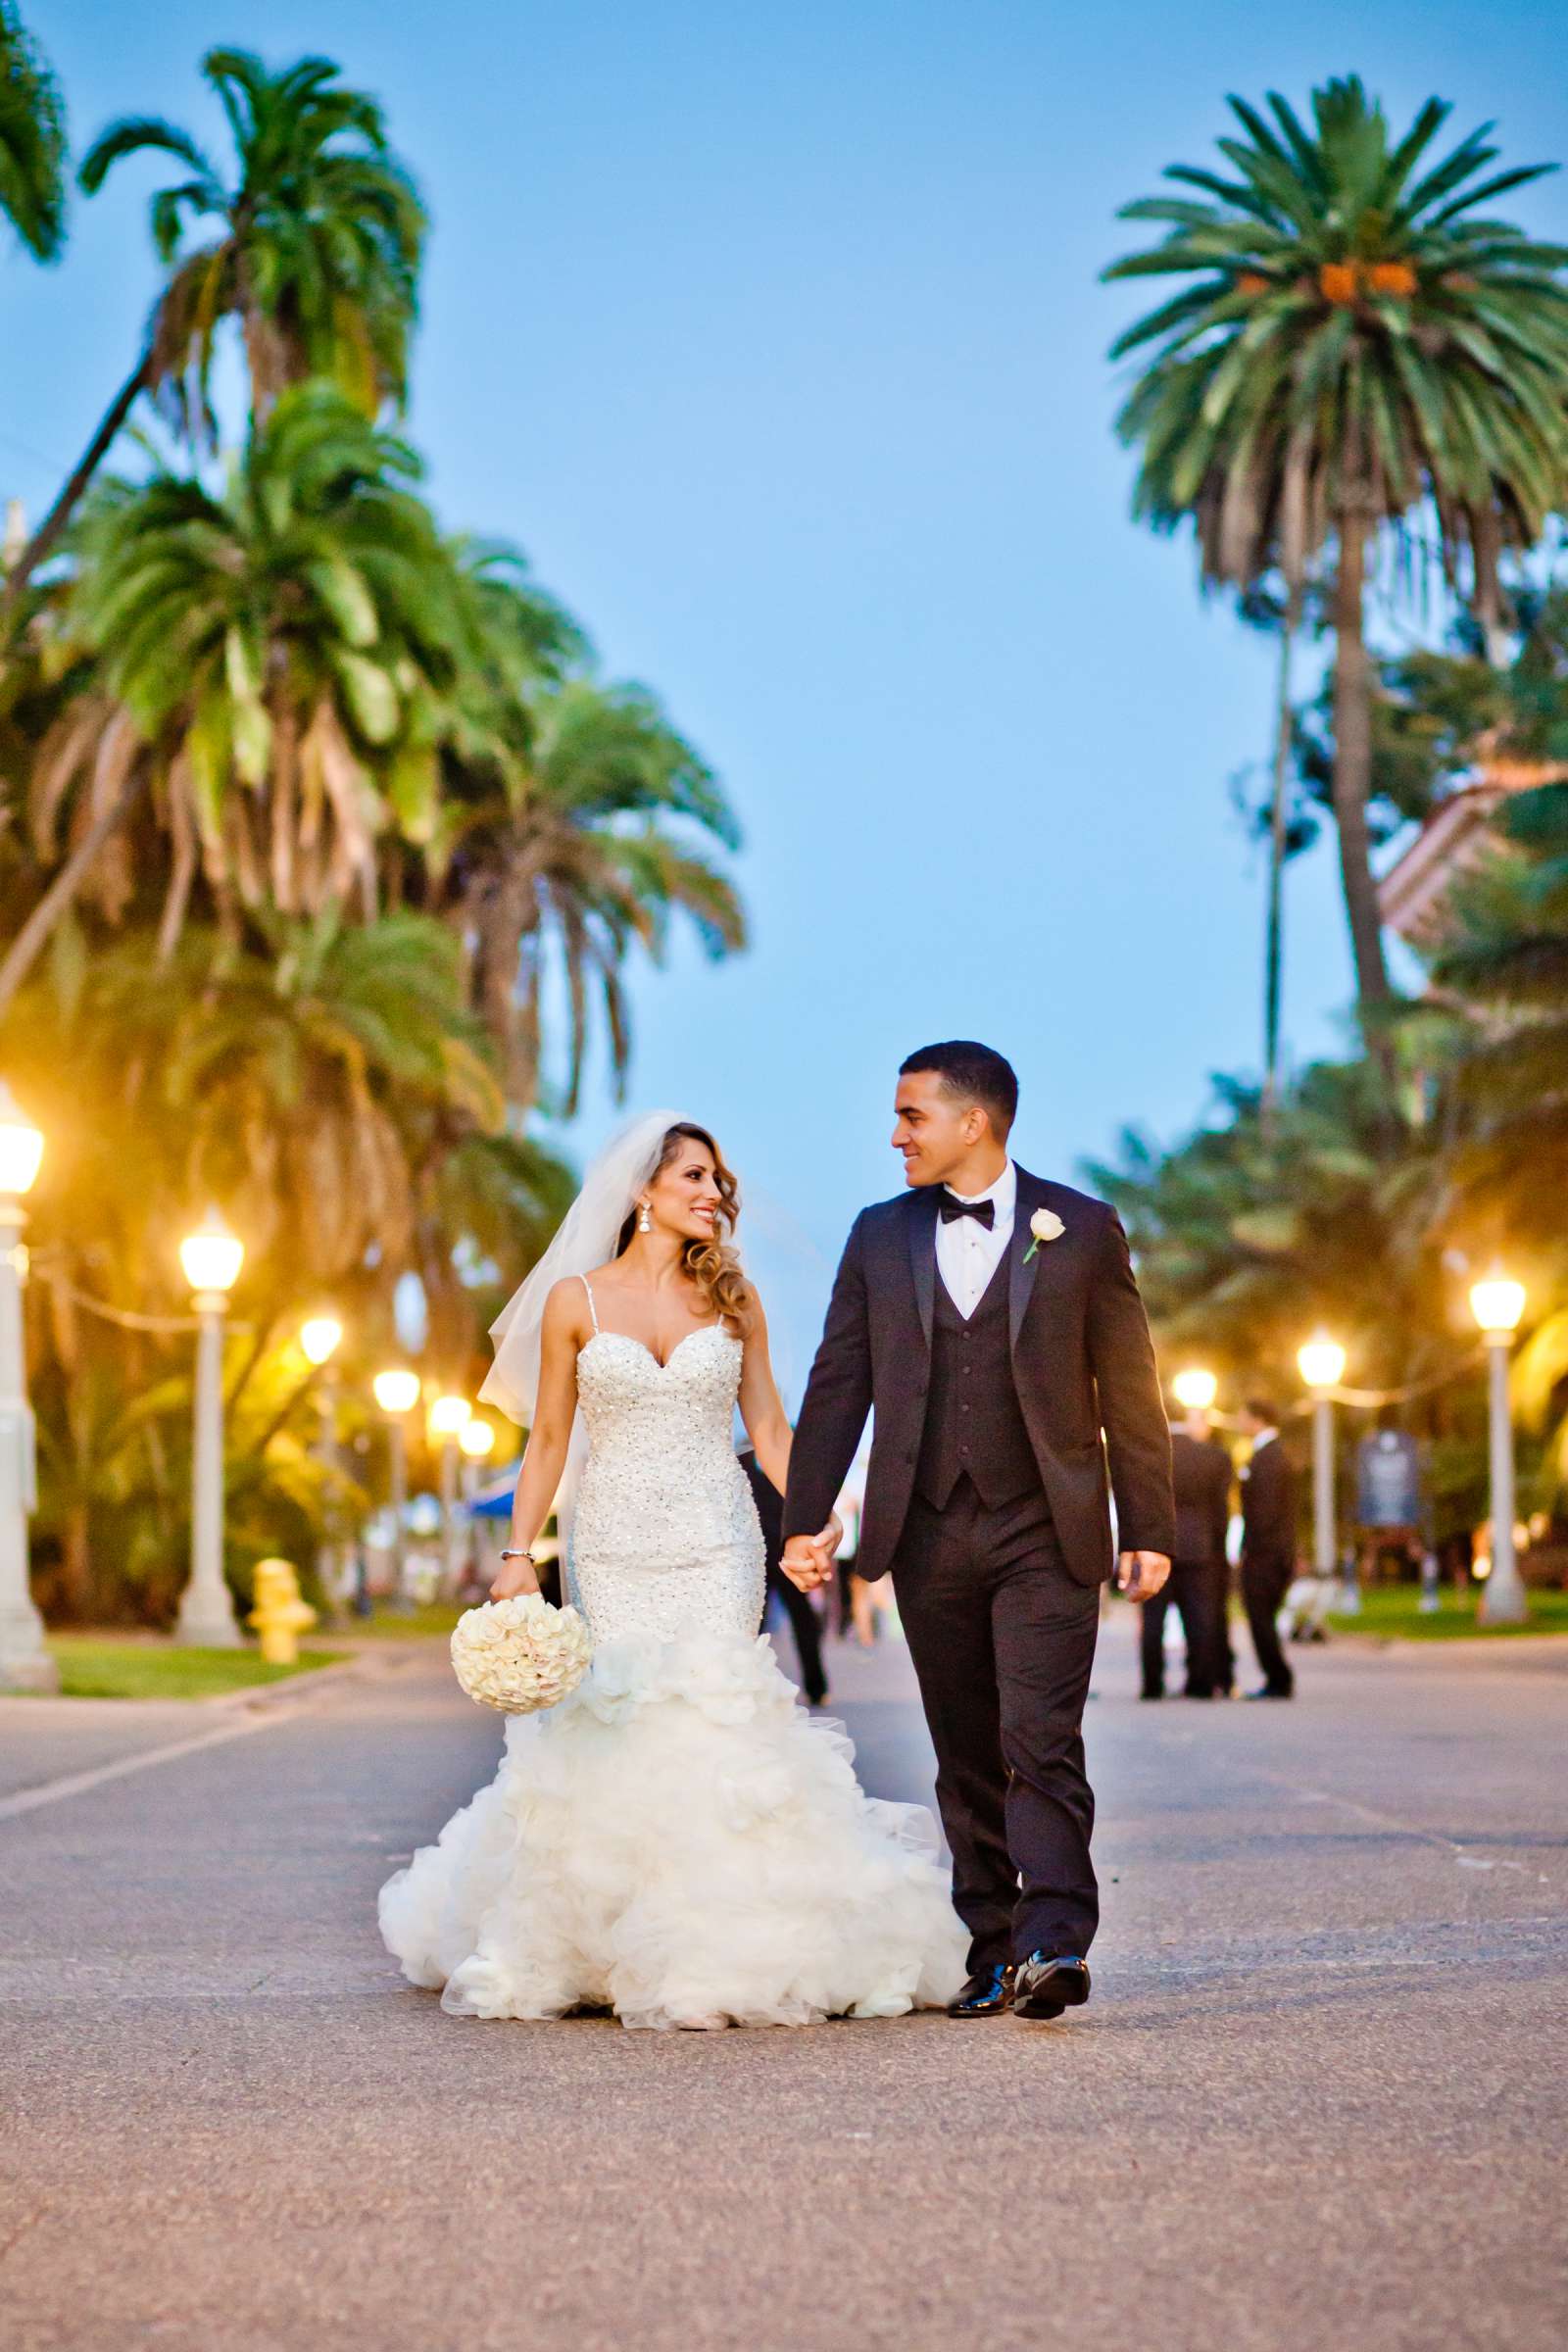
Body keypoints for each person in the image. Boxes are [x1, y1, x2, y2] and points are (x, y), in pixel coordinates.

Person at [378, 1112, 966, 2031]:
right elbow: (546, 1442)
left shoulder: (733, 1300)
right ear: (640, 1193)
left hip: (716, 1541)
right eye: (691, 1177)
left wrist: (820, 1521)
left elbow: (771, 1430)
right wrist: (514, 1558)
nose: (711, 1193)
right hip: (608, 1544)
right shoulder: (576, 1300)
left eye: (715, 1180)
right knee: (616, 1719)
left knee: (715, 1715)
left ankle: (727, 1941)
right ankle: (605, 1938)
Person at [780, 1044, 1174, 2023]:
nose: (894, 1134)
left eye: (912, 1115)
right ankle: (992, 1948)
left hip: (1045, 1528)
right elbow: (839, 1382)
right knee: (964, 1748)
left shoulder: (1080, 1229)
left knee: (1037, 1737)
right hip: (923, 1530)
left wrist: (1149, 1522)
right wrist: (806, 1518)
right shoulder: (879, 1236)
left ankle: (1054, 1943)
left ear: (975, 1122)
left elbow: (1130, 1387)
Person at [1142, 1405, 1232, 1699]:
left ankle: (1152, 1683)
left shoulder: (1149, 1454)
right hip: (1198, 1546)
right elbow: (1221, 1510)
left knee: (1153, 1620)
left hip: (1156, 1544)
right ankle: (1200, 1682)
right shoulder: (1213, 1456)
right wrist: (1218, 1546)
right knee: (1199, 1619)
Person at [740, 1443, 829, 1707]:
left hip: (788, 1554)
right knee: (752, 1624)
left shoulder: (792, 1453)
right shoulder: (741, 1456)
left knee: (803, 1622)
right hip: (755, 1555)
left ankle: (816, 1686)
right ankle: (744, 1684)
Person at [1237, 1399, 1298, 1700]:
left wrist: (1250, 1549)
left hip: (1267, 1553)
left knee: (1260, 1615)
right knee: (1261, 1616)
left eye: (1243, 1416)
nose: (1238, 1422)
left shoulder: (1269, 1457)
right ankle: (1276, 1675)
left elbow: (1265, 1511)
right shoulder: (1268, 1454)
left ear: (1257, 1419)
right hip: (1270, 1550)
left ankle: (1278, 1676)